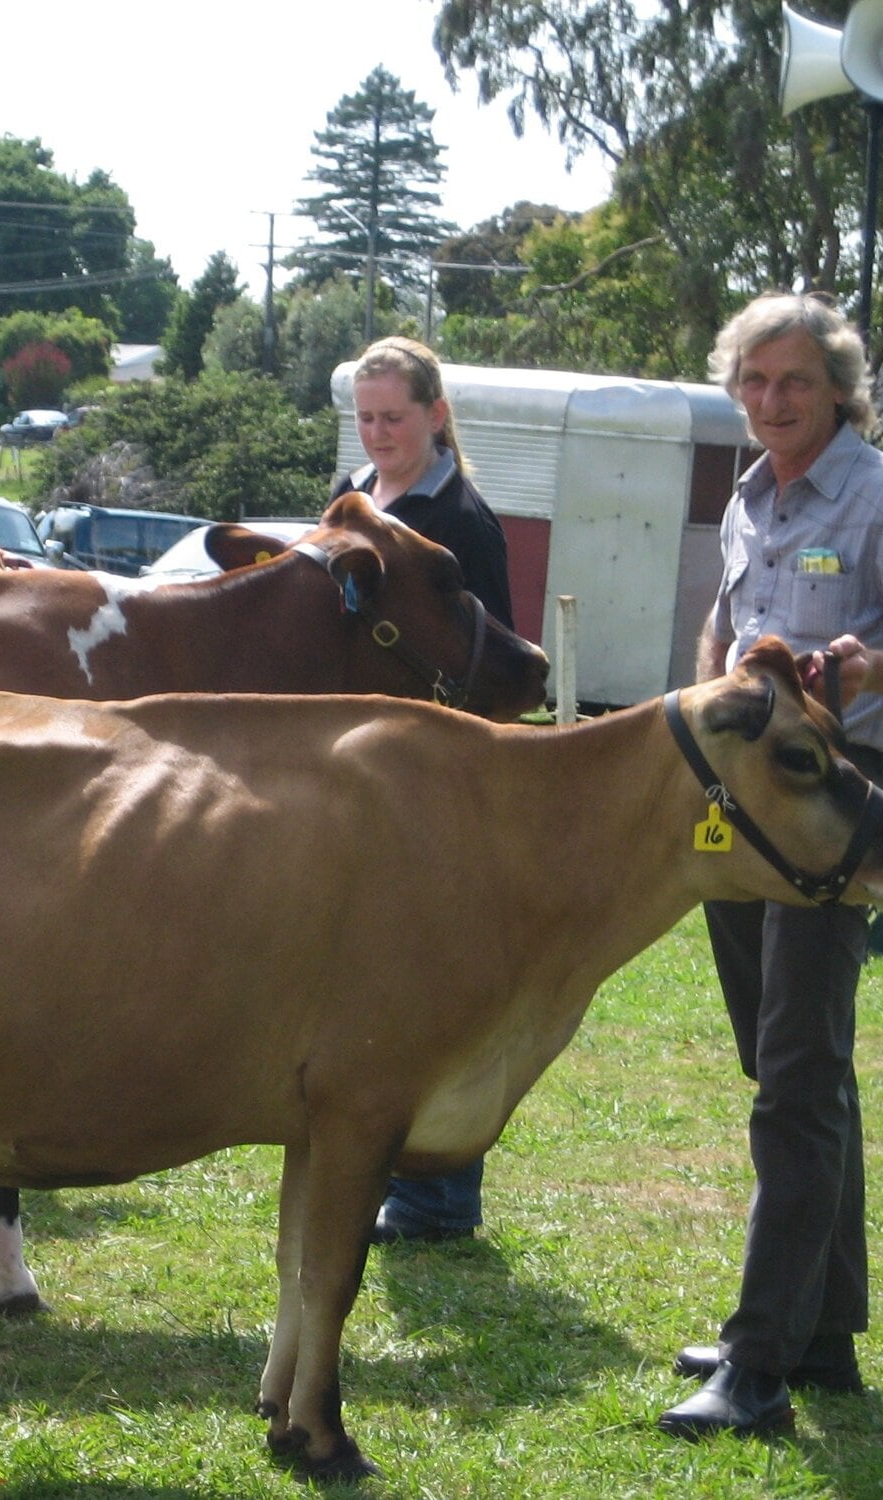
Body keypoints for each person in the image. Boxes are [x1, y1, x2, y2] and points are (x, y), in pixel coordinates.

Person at [660, 292, 883, 1441]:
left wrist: (869, 664)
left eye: (789, 382)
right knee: (782, 1061)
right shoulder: (747, 497)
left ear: (836, 389)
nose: (767, 403)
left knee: (797, 1076)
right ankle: (825, 1331)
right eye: (750, 383)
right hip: (739, 819)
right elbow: (725, 627)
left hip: (835, 815)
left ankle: (756, 1366)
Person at [331, 334, 516, 1245]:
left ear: (436, 416)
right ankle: (392, 1179)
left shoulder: (462, 522)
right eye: (365, 418)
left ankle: (440, 1198)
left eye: (393, 417)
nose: (377, 432)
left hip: (436, 778)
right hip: (371, 776)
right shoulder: (366, 501)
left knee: (431, 988)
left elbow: (490, 659)